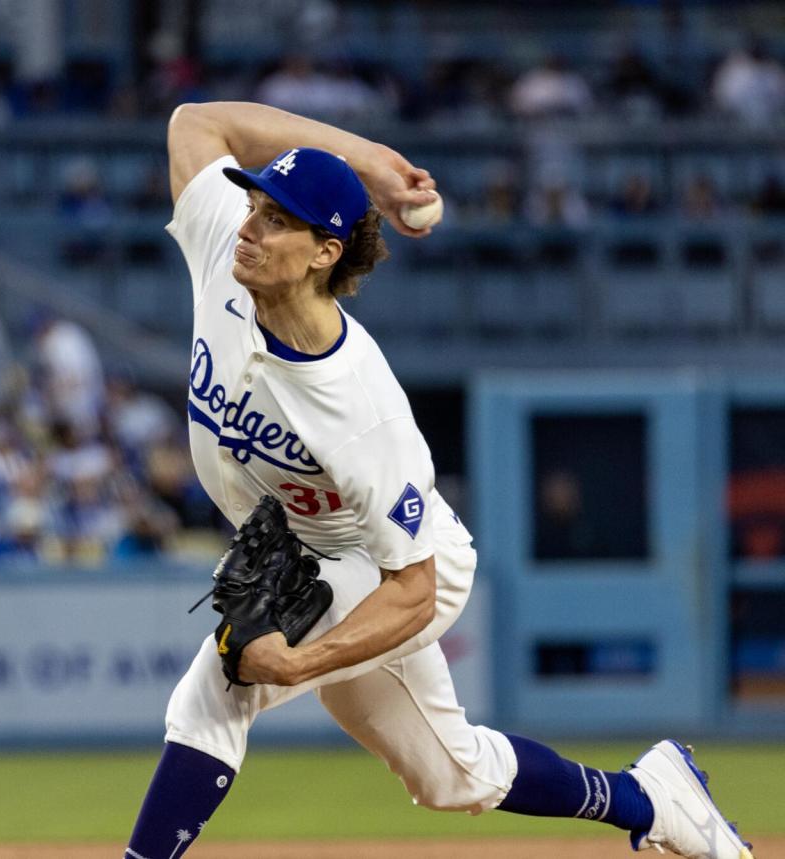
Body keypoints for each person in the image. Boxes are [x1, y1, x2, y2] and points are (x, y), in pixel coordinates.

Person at [123, 100, 752, 859]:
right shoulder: (228, 243)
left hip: (395, 567)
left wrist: (299, 661)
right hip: (312, 554)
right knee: (450, 773)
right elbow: (194, 122)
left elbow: (413, 589)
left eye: (276, 218)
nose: (250, 226)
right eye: (253, 204)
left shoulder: (361, 408)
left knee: (216, 691)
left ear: (324, 251)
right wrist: (370, 160)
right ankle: (652, 796)